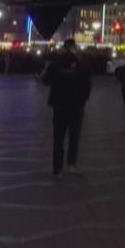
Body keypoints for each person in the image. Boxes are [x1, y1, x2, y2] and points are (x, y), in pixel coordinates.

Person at [42, 38, 91, 177]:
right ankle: (71, 164)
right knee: (74, 137)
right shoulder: (82, 63)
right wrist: (83, 99)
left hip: (59, 104)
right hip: (76, 105)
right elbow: (87, 83)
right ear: (75, 47)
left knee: (58, 138)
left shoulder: (56, 63)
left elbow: (46, 80)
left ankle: (57, 168)